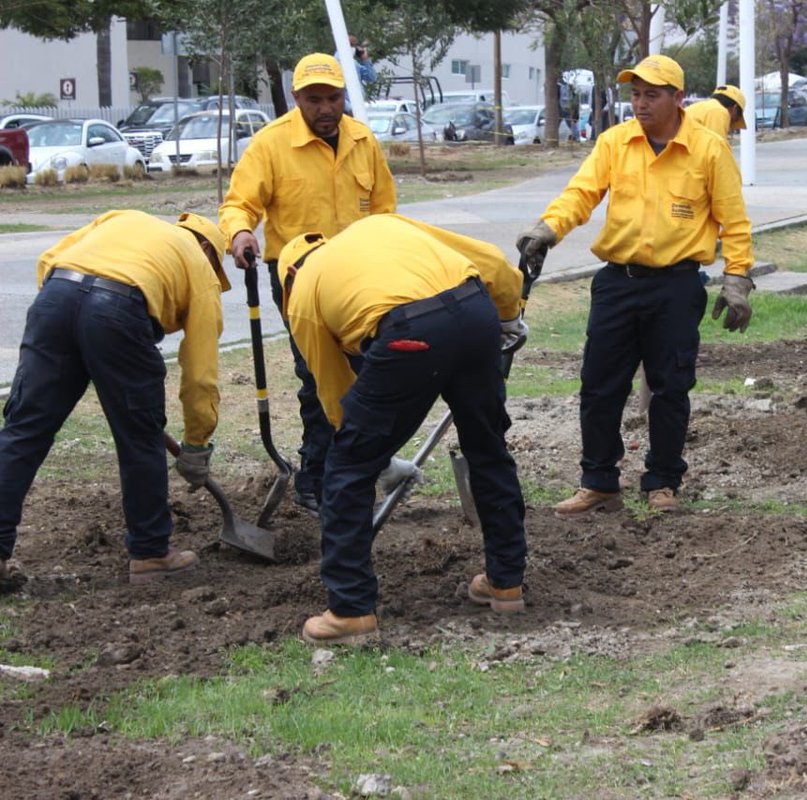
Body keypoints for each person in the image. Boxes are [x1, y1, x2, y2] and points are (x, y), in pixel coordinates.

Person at [516, 54, 754, 516]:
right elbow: (581, 195)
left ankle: (662, 482)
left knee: (670, 386)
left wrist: (738, 277)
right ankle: (599, 481)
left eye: (651, 95)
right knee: (599, 385)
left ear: (677, 98)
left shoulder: (707, 149)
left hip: (677, 285)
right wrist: (549, 228)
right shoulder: (615, 143)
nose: (640, 104)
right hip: (617, 283)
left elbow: (734, 220)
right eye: (635, 95)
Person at [275, 215, 528, 644]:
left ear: (289, 275)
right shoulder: (380, 228)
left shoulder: (302, 294)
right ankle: (506, 583)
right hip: (474, 308)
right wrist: (508, 314)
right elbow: (489, 260)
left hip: (408, 331)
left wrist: (375, 458)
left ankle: (350, 611)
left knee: (346, 469)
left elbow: (333, 392)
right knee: (487, 449)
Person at [0, 211, 231, 584]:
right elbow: (201, 370)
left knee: (23, 432)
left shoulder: (123, 217)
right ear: (207, 247)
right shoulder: (199, 264)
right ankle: (151, 553)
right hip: (119, 311)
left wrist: (74, 331)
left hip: (55, 298)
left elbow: (51, 258)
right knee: (140, 439)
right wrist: (197, 442)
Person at [219, 53, 396, 513]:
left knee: (366, 373)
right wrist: (239, 233)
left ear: (343, 96)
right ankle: (314, 480)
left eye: (333, 98)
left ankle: (356, 469)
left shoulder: (363, 141)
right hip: (299, 281)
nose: (325, 108)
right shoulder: (271, 144)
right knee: (318, 377)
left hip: (361, 278)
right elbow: (240, 203)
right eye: (313, 99)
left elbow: (385, 210)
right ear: (296, 98)